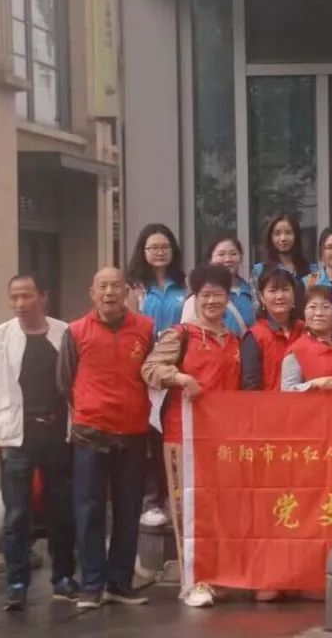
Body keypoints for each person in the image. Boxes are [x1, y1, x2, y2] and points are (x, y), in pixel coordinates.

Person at [141, 264, 242, 608]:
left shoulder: (233, 340)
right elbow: (150, 368)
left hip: (223, 439)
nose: (212, 301)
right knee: (187, 509)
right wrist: (181, 378)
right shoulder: (180, 334)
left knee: (218, 510)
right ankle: (193, 581)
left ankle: (216, 575)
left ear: (229, 299)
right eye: (206, 295)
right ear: (195, 298)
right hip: (182, 436)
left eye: (219, 295)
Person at [57, 267, 154, 610]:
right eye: (103, 286)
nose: (109, 292)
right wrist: (89, 406)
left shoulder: (146, 328)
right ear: (92, 293)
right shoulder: (75, 331)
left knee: (128, 509)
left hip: (133, 431)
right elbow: (64, 381)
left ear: (127, 292)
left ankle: (119, 582)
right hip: (90, 431)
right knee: (89, 509)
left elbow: (151, 373)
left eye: (115, 286)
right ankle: (91, 584)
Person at [0, 274, 76, 610]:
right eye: (15, 297)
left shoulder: (65, 332)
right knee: (16, 513)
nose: (20, 304)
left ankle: (63, 576)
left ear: (43, 297)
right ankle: (17, 582)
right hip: (16, 434)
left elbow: (75, 383)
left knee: (61, 508)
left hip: (57, 433)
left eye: (27, 296)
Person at [126, 223, 187, 529]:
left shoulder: (185, 286)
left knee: (171, 436)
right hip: (142, 372)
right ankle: (150, 500)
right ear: (143, 251)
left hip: (175, 371)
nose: (159, 252)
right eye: (153, 247)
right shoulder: (134, 287)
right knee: (148, 438)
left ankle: (170, 499)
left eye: (165, 247)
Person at [242, 268, 305, 391]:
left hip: (305, 401)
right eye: (273, 290)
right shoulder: (255, 336)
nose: (280, 296)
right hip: (268, 402)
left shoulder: (306, 330)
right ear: (262, 297)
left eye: (285, 290)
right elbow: (251, 385)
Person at [180, 235, 256, 337]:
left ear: (240, 258)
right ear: (210, 259)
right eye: (221, 254)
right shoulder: (196, 297)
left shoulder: (252, 292)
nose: (228, 259)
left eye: (233, 254)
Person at [281, 285, 332, 392]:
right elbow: (286, 391)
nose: (319, 313)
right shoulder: (297, 351)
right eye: (312, 307)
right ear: (304, 313)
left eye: (326, 307)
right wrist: (313, 384)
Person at [252, 212, 312, 284]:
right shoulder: (260, 271)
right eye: (277, 233)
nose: (283, 238)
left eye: (288, 232)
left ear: (296, 236)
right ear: (270, 237)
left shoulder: (311, 271)